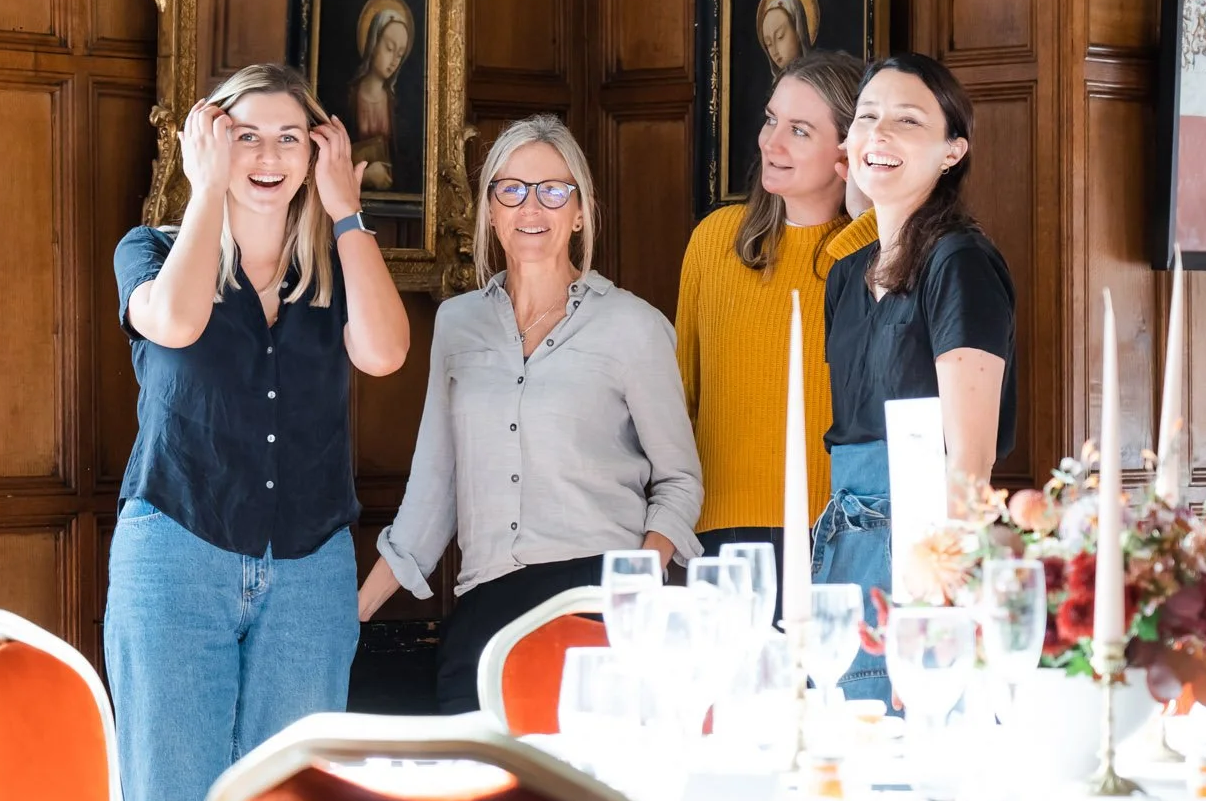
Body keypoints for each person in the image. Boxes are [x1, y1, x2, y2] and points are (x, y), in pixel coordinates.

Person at [108, 63, 411, 801]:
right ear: (212, 143)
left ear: (318, 151)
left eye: (289, 137)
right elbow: (175, 321)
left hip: (308, 570)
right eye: (246, 135)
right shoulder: (152, 249)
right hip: (177, 555)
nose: (268, 155)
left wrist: (347, 211)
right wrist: (204, 191)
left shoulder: (336, 265)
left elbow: (386, 352)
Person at [360, 115, 702, 710]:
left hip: (599, 600)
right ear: (491, 211)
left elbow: (679, 481)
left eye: (553, 190)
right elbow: (434, 490)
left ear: (580, 211)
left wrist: (634, 592)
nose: (531, 207)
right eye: (512, 190)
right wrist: (353, 615)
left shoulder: (634, 327)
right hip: (487, 606)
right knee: (475, 770)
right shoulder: (457, 324)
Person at [816, 53, 1017, 704]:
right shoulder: (845, 275)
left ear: (952, 151)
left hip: (922, 551)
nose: (879, 133)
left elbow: (970, 462)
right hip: (844, 542)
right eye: (866, 117)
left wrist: (936, 609)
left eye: (907, 120)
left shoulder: (959, 262)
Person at [675, 52, 877, 612]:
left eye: (799, 130)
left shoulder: (879, 254)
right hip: (720, 533)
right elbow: (682, 397)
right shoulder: (714, 241)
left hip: (840, 531)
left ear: (847, 151)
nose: (771, 142)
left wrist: (865, 216)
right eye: (771, 120)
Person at [348, 0, 412, 190]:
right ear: (373, 42)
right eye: (389, 48)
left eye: (400, 54)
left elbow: (406, 161)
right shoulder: (347, 98)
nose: (394, 60)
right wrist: (364, 175)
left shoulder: (398, 105)